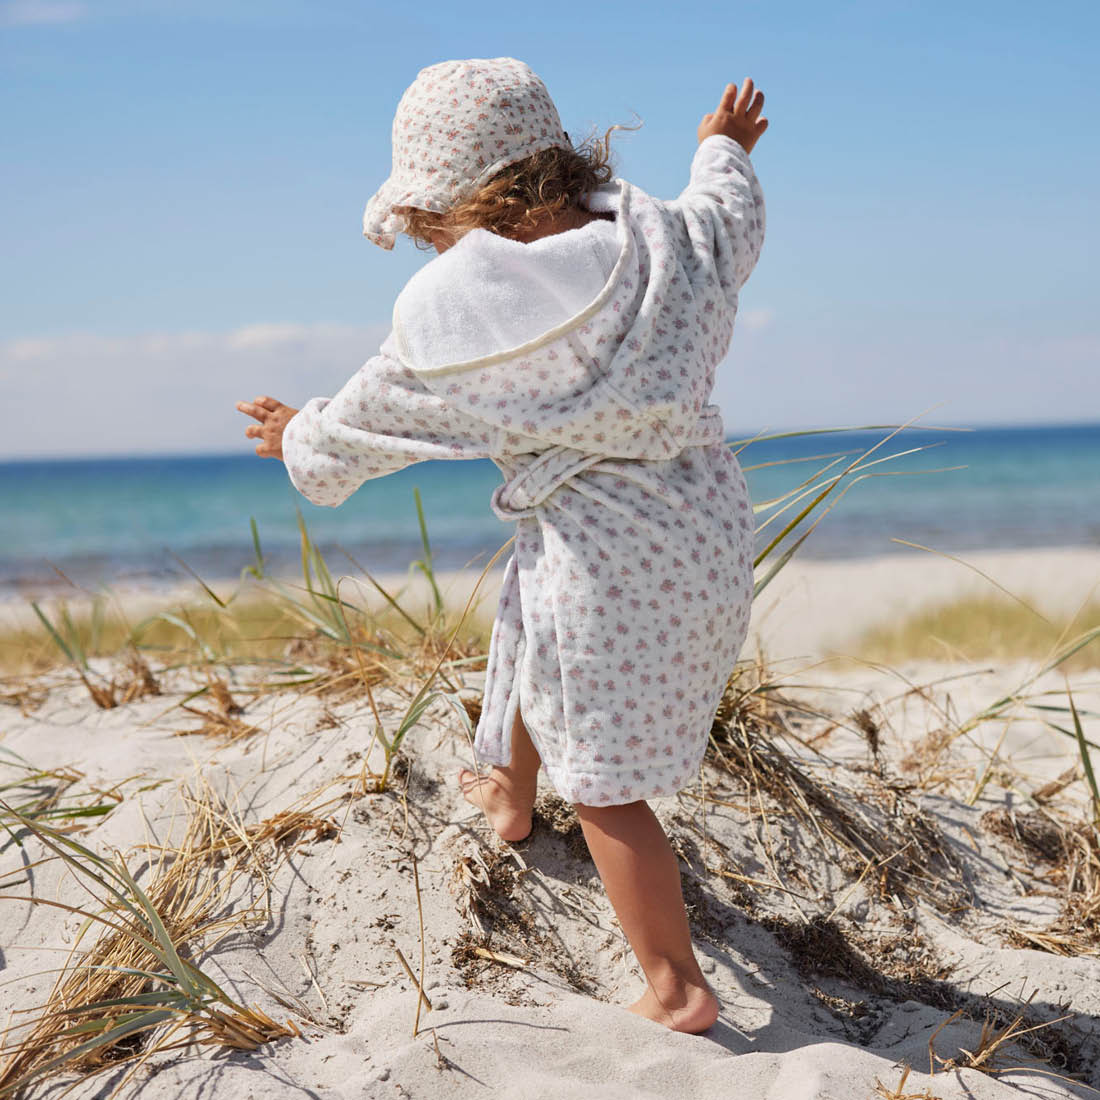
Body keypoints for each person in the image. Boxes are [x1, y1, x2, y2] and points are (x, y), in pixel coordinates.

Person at [236, 57, 767, 1034]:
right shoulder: (663, 241)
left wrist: (297, 435)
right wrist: (721, 149)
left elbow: (365, 418)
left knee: (605, 786)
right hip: (707, 529)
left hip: (602, 564)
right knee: (531, 644)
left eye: (427, 230)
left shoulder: (467, 305)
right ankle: (509, 798)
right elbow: (726, 215)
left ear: (455, 211)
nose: (426, 250)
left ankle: (674, 983)